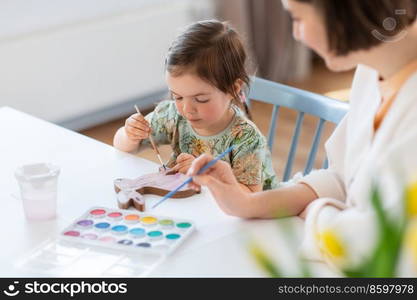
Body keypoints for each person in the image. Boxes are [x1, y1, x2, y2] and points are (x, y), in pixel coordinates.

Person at [187, 0, 417, 270]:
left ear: (341, 12)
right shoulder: (373, 69)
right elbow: (343, 178)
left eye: (297, 18)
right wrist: (249, 203)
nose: (297, 34)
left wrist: (315, 213)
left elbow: (373, 244)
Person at [113, 20, 278, 192]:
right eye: (177, 96)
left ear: (233, 89)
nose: (186, 109)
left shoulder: (246, 138)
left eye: (200, 99)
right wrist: (130, 134)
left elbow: (251, 194)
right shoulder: (172, 116)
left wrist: (206, 175)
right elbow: (121, 146)